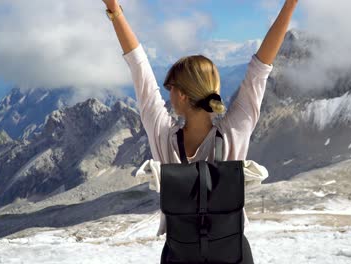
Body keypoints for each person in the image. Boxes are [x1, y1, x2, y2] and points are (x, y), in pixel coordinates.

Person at [102, 0, 298, 263]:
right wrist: (290, 5)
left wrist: (114, 10)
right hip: (232, 254)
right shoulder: (233, 133)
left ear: (181, 95)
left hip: (181, 255)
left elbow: (140, 68)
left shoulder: (163, 137)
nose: (167, 92)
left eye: (170, 87)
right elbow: (260, 68)